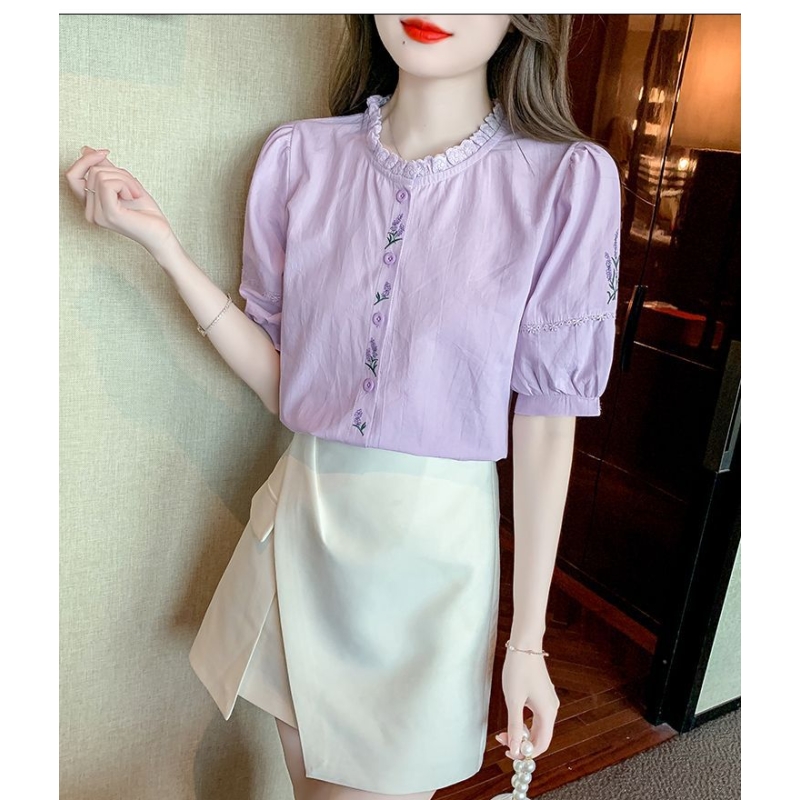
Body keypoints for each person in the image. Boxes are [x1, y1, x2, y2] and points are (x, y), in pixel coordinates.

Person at [65, 14, 620, 800]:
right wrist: (163, 247)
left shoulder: (562, 181)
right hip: (301, 529)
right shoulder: (299, 158)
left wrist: (526, 642)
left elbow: (548, 419)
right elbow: (290, 391)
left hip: (428, 569)